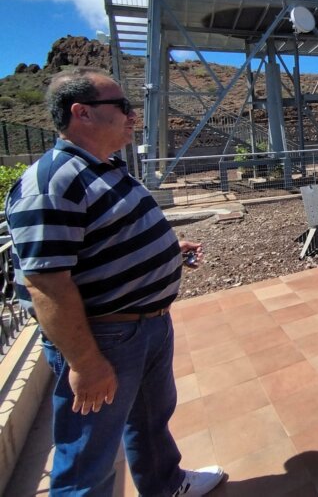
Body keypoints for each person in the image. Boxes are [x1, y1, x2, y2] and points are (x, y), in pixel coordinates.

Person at [4, 69, 225, 496]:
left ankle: (166, 485)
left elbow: (105, 237)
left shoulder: (104, 168)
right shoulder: (52, 183)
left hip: (146, 326)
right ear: (82, 113)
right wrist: (86, 364)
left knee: (150, 419)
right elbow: (45, 285)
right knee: (87, 460)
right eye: (122, 106)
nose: (133, 115)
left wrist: (167, 250)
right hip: (105, 338)